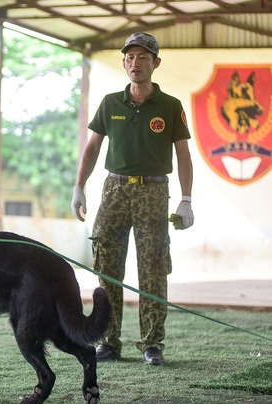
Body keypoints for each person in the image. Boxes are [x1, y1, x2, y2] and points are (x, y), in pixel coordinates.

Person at [71, 32, 194, 366]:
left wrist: (186, 199)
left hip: (153, 192)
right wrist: (79, 185)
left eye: (142, 57)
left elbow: (183, 154)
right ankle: (109, 341)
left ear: (155, 62)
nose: (135, 63)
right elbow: (93, 147)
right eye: (129, 57)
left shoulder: (170, 106)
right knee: (107, 265)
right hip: (114, 190)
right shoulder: (111, 103)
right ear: (124, 62)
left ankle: (152, 343)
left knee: (153, 268)